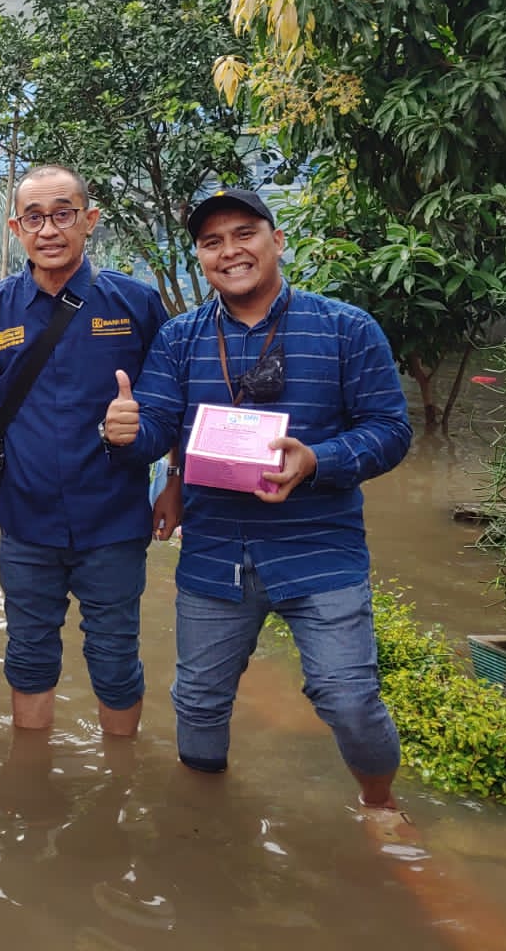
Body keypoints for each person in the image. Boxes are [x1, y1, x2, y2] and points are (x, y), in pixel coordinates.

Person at [103, 187, 412, 809]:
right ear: (200, 258)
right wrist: (129, 435)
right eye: (212, 242)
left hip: (318, 548)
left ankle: (379, 804)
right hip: (216, 550)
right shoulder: (181, 339)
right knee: (197, 699)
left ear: (277, 240)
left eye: (244, 233)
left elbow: (391, 430)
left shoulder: (347, 329)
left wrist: (318, 460)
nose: (230, 251)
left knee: (348, 697)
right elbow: (161, 424)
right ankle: (204, 812)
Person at [0, 164, 172, 737]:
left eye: (63, 214)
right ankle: (30, 781)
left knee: (114, 658)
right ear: (16, 228)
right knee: (29, 654)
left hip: (112, 519)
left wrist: (173, 482)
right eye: (34, 218)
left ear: (90, 220)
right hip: (26, 518)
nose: (50, 230)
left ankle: (119, 775)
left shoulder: (136, 304)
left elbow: (169, 406)